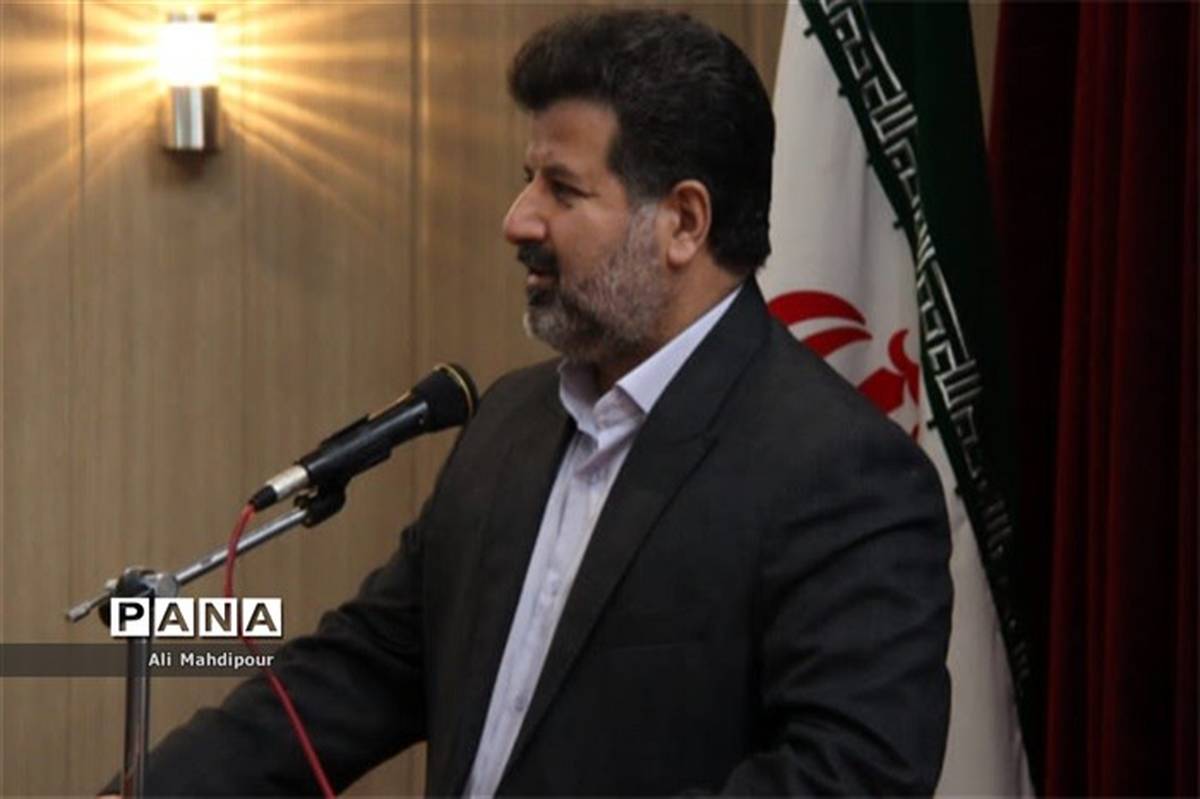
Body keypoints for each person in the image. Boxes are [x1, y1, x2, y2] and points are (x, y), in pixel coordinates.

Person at [105, 10, 952, 795]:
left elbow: (849, 778)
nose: (518, 220)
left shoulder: (841, 471)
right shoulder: (509, 423)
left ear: (684, 222)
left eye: (562, 189)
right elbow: (358, 670)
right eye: (526, 180)